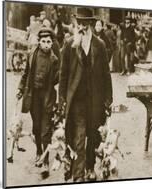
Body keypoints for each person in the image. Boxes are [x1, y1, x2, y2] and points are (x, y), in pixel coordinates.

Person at [59, 8, 113, 182]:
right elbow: (63, 74)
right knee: (79, 137)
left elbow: (106, 74)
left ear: (90, 24)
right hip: (76, 100)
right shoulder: (69, 45)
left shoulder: (100, 45)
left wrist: (108, 99)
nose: (81, 27)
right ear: (76, 24)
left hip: (95, 100)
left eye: (84, 23)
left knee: (93, 136)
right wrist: (62, 98)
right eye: (79, 23)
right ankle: (78, 175)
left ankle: (90, 167)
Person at [16, 27, 59, 179]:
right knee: (36, 127)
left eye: (49, 42)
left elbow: (57, 79)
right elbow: (26, 73)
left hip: (47, 97)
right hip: (33, 96)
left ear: (51, 43)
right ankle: (39, 151)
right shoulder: (32, 55)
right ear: (39, 43)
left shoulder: (54, 60)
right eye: (44, 42)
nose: (46, 44)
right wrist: (21, 89)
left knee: (46, 129)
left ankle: (46, 161)